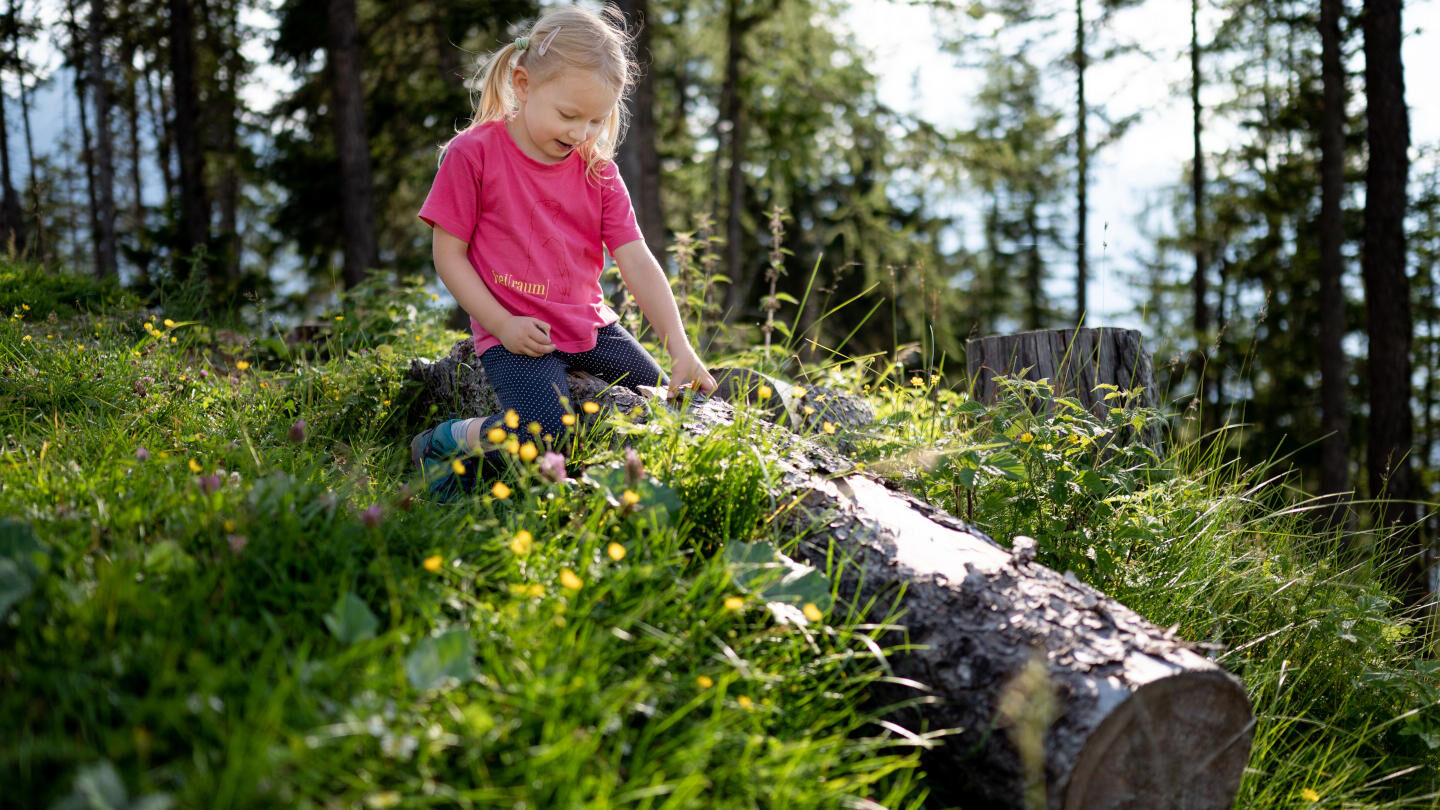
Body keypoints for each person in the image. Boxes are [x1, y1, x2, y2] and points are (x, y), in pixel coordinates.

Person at [411, 5, 716, 496]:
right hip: (516, 329)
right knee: (549, 433)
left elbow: (635, 259)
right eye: (569, 115)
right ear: (524, 84)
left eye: (597, 119)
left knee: (659, 410)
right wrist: (502, 323)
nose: (581, 134)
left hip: (591, 325)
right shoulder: (474, 153)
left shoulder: (598, 171)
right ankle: (451, 441)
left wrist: (679, 347)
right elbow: (449, 255)